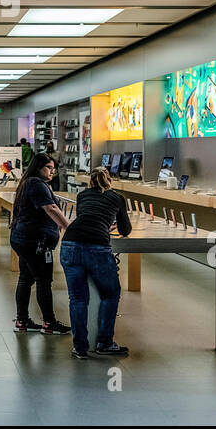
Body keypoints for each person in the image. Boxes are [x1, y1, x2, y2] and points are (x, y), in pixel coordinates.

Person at [61, 167, 131, 358]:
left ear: (90, 182)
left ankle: (80, 347)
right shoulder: (117, 198)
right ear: (110, 181)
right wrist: (110, 224)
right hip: (97, 247)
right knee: (110, 294)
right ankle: (105, 342)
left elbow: (88, 215)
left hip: (70, 243)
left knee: (77, 298)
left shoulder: (82, 196)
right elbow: (125, 229)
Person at [9, 152, 71, 334]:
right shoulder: (37, 184)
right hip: (35, 242)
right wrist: (69, 227)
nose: (52, 172)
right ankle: (49, 323)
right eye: (48, 168)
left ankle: (22, 320)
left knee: (26, 278)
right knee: (44, 281)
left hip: (23, 238)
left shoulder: (28, 183)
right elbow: (51, 208)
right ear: (38, 168)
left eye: (53, 168)